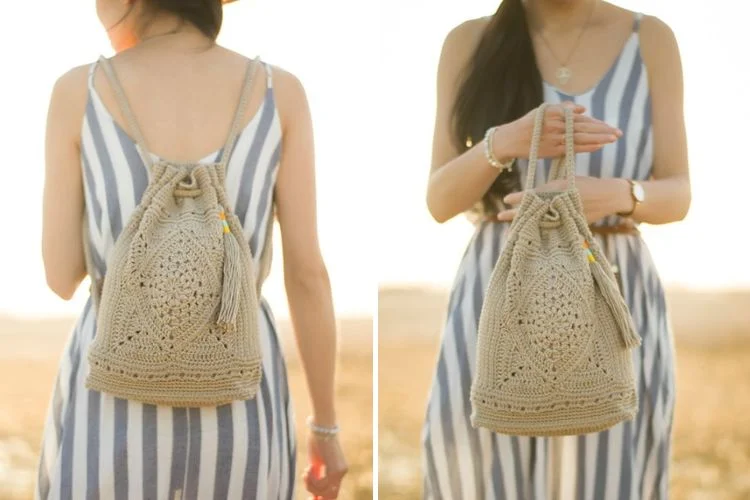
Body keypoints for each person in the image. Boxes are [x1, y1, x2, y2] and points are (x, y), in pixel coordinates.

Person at [38, 0, 347, 498]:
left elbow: (60, 275)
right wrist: (326, 429)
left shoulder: (79, 91)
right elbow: (308, 275)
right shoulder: (279, 92)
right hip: (242, 398)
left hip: (111, 397)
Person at [422, 0, 689, 498]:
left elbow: (678, 192)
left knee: (605, 472)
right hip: (498, 285)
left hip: (610, 278)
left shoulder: (649, 37)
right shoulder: (468, 41)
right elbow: (439, 200)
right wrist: (504, 142)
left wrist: (618, 194)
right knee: (476, 470)